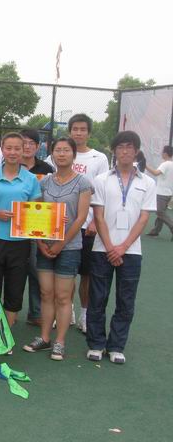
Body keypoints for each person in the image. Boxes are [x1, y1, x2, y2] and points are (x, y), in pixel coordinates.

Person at [86, 131, 156, 364]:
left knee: (126, 301)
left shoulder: (148, 183)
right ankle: (96, 344)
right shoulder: (102, 180)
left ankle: (116, 346)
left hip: (131, 251)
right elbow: (98, 216)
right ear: (114, 151)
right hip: (102, 249)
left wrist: (123, 247)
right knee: (98, 298)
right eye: (120, 147)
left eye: (129, 147)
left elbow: (143, 219)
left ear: (136, 151)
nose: (125, 151)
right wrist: (110, 247)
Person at [22, 137, 92, 361]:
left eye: (66, 150)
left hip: (70, 248)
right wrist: (40, 242)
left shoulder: (83, 183)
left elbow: (81, 217)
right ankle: (44, 338)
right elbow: (36, 213)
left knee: (63, 296)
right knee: (46, 293)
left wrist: (62, 243)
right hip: (45, 246)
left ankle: (60, 342)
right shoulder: (44, 182)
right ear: (52, 154)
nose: (62, 154)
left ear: (73, 154)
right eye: (58, 150)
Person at [48, 114, 109, 333]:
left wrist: (94, 223)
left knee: (86, 273)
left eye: (83, 129)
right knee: (65, 274)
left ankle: (85, 313)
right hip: (59, 227)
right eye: (75, 129)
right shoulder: (55, 157)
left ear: (89, 133)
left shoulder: (99, 158)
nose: (79, 133)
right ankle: (68, 311)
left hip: (87, 227)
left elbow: (101, 192)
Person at [0, 132, 41, 336]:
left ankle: (6, 335)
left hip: (20, 242)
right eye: (9, 148)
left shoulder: (31, 179)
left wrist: (54, 220)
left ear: (23, 150)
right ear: (2, 150)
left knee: (15, 289)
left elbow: (36, 213)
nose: (13, 152)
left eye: (17, 148)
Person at [20, 128, 55, 326]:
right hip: (13, 225)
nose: (27, 147)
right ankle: (9, 311)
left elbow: (50, 197)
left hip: (37, 226)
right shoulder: (10, 165)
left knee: (36, 269)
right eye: (23, 143)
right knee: (14, 271)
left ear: (38, 146)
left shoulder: (46, 168)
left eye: (31, 143)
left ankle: (36, 313)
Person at [145, 145, 173, 240]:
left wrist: (145, 166)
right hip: (168, 193)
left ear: (165, 153)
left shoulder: (165, 164)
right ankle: (155, 231)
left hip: (162, 193)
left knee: (160, 212)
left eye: (162, 152)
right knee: (161, 212)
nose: (161, 153)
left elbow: (156, 173)